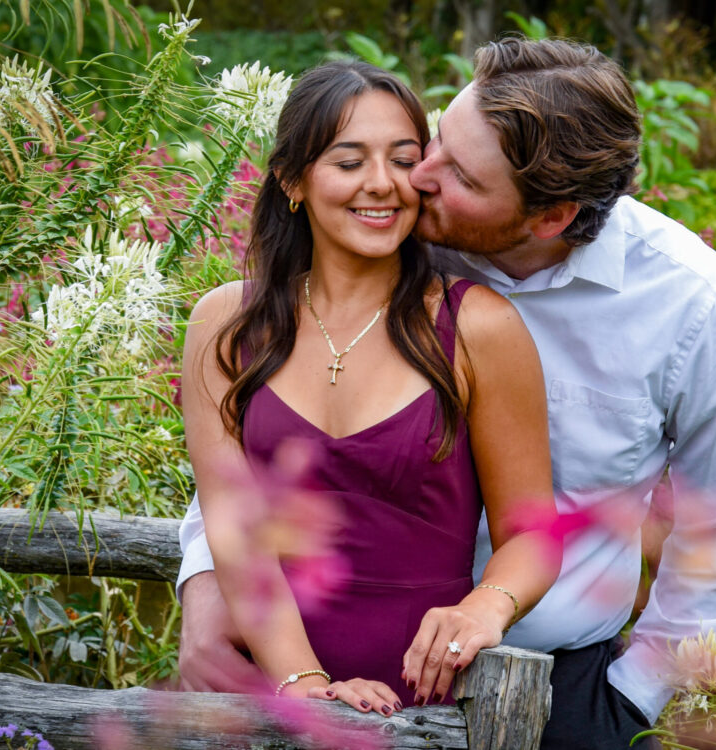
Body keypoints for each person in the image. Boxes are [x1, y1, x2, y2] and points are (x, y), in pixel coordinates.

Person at [179, 39, 716, 749]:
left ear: (547, 216)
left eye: (448, 169)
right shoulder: (402, 234)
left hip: (559, 683)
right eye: (433, 141)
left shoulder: (691, 305)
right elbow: (263, 442)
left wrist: (633, 699)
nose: (413, 178)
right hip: (297, 657)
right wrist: (209, 583)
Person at [180, 59, 561, 717]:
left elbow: (532, 534)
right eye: (349, 161)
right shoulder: (224, 326)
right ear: (292, 179)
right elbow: (235, 535)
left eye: (403, 159)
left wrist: (483, 608)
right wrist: (305, 687)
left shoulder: (479, 328)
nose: (381, 185)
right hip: (261, 695)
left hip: (425, 706)